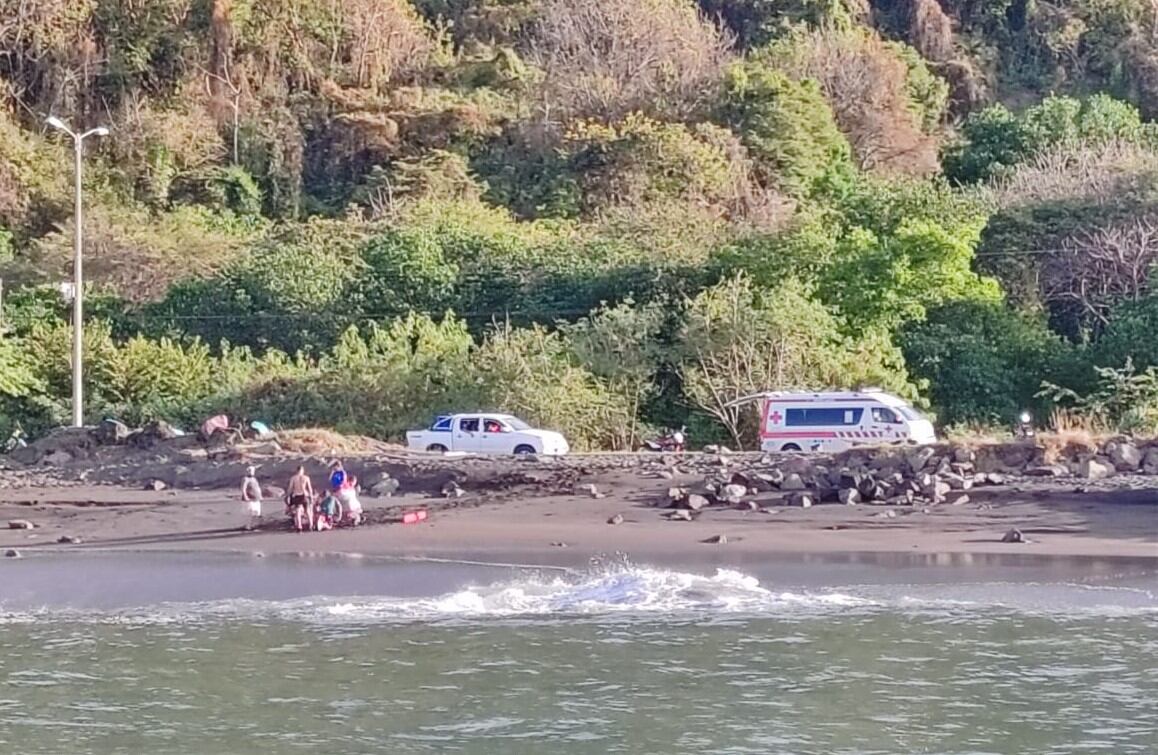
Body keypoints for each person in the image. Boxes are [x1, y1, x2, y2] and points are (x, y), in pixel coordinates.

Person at [286, 466, 314, 532]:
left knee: (298, 511)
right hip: (304, 495)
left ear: (297, 470)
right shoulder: (306, 478)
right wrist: (311, 497)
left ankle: (299, 527)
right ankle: (311, 525)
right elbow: (310, 488)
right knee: (307, 511)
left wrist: (288, 495)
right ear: (302, 470)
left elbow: (290, 488)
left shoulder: (293, 478)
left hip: (297, 495)